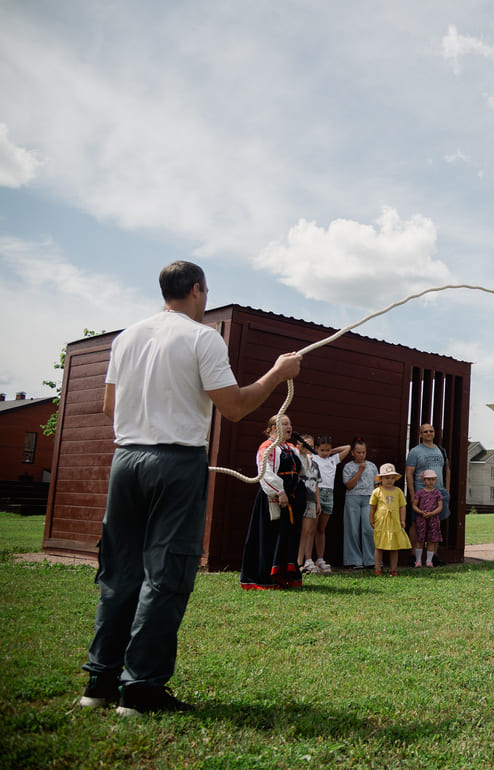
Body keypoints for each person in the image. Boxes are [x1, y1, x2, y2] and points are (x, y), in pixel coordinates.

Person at [80, 260, 302, 716]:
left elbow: (108, 406)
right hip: (176, 462)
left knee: (119, 571)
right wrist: (278, 374)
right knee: (166, 574)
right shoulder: (204, 338)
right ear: (198, 290)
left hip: (126, 460)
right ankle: (140, 691)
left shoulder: (127, 337)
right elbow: (235, 407)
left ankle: (99, 683)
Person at [240, 415, 308, 590]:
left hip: (292, 499)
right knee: (270, 537)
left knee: (287, 537)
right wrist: (280, 492)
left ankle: (284, 575)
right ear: (273, 428)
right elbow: (266, 472)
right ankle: (263, 577)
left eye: (290, 423)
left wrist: (303, 454)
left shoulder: (291, 448)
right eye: (285, 424)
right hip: (274, 498)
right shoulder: (267, 447)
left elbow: (301, 471)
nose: (289, 426)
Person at [406, 423, 448, 567]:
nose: (428, 433)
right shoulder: (415, 452)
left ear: (435, 433)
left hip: (438, 493)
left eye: (431, 431)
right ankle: (414, 556)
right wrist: (412, 494)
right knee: (416, 523)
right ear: (420, 434)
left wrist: (446, 490)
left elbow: (447, 470)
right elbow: (409, 473)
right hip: (421, 494)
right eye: (425, 431)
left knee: (436, 523)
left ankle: (433, 556)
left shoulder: (441, 450)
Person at [309, 436, 350, 573]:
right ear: (316, 449)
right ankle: (308, 559)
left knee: (321, 529)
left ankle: (320, 558)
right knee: (312, 528)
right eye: (322, 450)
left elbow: (348, 448)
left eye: (327, 450)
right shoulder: (314, 458)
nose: (325, 453)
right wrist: (317, 452)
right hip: (317, 492)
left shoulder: (333, 459)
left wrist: (332, 452)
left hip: (329, 494)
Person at [342, 439, 378, 570]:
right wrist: (359, 471)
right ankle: (353, 560)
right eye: (358, 452)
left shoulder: (372, 466)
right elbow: (349, 485)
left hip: (369, 498)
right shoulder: (348, 467)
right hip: (353, 498)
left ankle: (371, 559)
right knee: (352, 529)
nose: (361, 455)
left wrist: (377, 502)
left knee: (369, 528)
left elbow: (376, 486)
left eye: (363, 452)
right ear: (352, 452)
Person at [370, 463, 410, 575]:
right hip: (381, 522)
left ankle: (393, 569)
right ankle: (377, 569)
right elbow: (372, 507)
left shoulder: (398, 491)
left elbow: (402, 506)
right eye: (387, 478)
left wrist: (402, 520)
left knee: (394, 547)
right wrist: (371, 520)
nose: (390, 480)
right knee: (379, 546)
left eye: (392, 478)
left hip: (394, 522)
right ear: (381, 479)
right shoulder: (377, 491)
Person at [295, 434, 322, 574]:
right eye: (305, 444)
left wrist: (318, 502)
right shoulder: (295, 460)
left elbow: (316, 484)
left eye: (310, 445)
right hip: (298, 499)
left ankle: (300, 562)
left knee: (306, 531)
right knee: (296, 530)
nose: (307, 447)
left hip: (311, 500)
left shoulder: (314, 464)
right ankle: (292, 561)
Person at [412, 469, 443, 567]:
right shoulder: (420, 492)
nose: (431, 482)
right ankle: (418, 561)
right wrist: (421, 512)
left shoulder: (437, 493)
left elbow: (440, 506)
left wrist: (432, 513)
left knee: (431, 540)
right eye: (428, 479)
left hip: (433, 519)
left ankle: (429, 561)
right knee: (420, 539)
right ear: (424, 480)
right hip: (422, 519)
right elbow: (414, 505)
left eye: (433, 479)